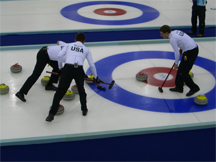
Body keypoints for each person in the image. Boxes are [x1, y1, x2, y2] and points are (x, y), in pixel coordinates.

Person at [46, 33, 101, 122]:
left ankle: (51, 114)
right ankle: (84, 109)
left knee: (60, 91)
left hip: (67, 68)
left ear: (75, 39)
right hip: (78, 69)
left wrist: (60, 68)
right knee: (81, 90)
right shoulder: (86, 49)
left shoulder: (68, 45)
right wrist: (96, 77)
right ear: (84, 41)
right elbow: (91, 65)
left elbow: (59, 56)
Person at [159, 25, 200, 96]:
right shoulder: (175, 32)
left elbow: (176, 53)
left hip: (191, 52)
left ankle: (194, 88)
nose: (161, 35)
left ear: (166, 33)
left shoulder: (172, 39)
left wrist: (176, 63)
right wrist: (182, 47)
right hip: (190, 49)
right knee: (181, 70)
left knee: (183, 72)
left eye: (162, 33)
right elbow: (183, 40)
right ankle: (179, 87)